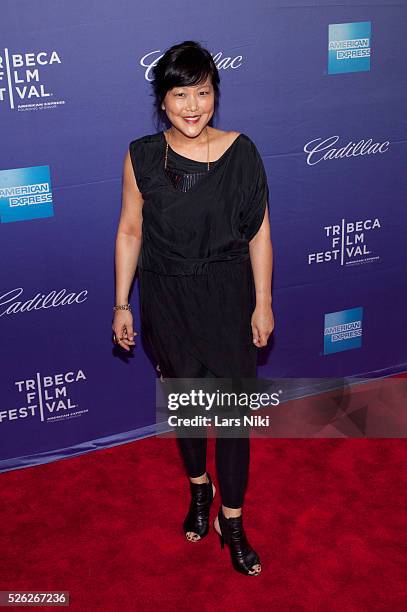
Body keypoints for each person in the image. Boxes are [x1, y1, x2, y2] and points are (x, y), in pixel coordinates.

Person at [112, 40, 274, 576]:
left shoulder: (242, 151)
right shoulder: (141, 156)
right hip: (168, 299)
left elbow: (259, 234)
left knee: (230, 420)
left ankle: (233, 522)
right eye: (180, 93)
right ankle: (198, 492)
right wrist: (121, 304)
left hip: (228, 299)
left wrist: (264, 302)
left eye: (202, 92)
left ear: (215, 95)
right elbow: (131, 230)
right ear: (163, 100)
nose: (192, 105)